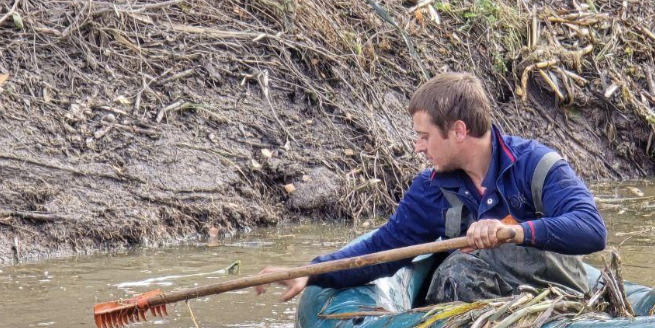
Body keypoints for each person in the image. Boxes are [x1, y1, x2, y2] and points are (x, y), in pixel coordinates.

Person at [257, 73, 607, 305]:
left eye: (424, 136)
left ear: (458, 131)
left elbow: (591, 230)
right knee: (456, 271)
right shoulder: (430, 190)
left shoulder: (536, 165)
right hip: (483, 322)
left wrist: (514, 232)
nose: (418, 147)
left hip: (557, 305)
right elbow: (382, 250)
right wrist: (311, 272)